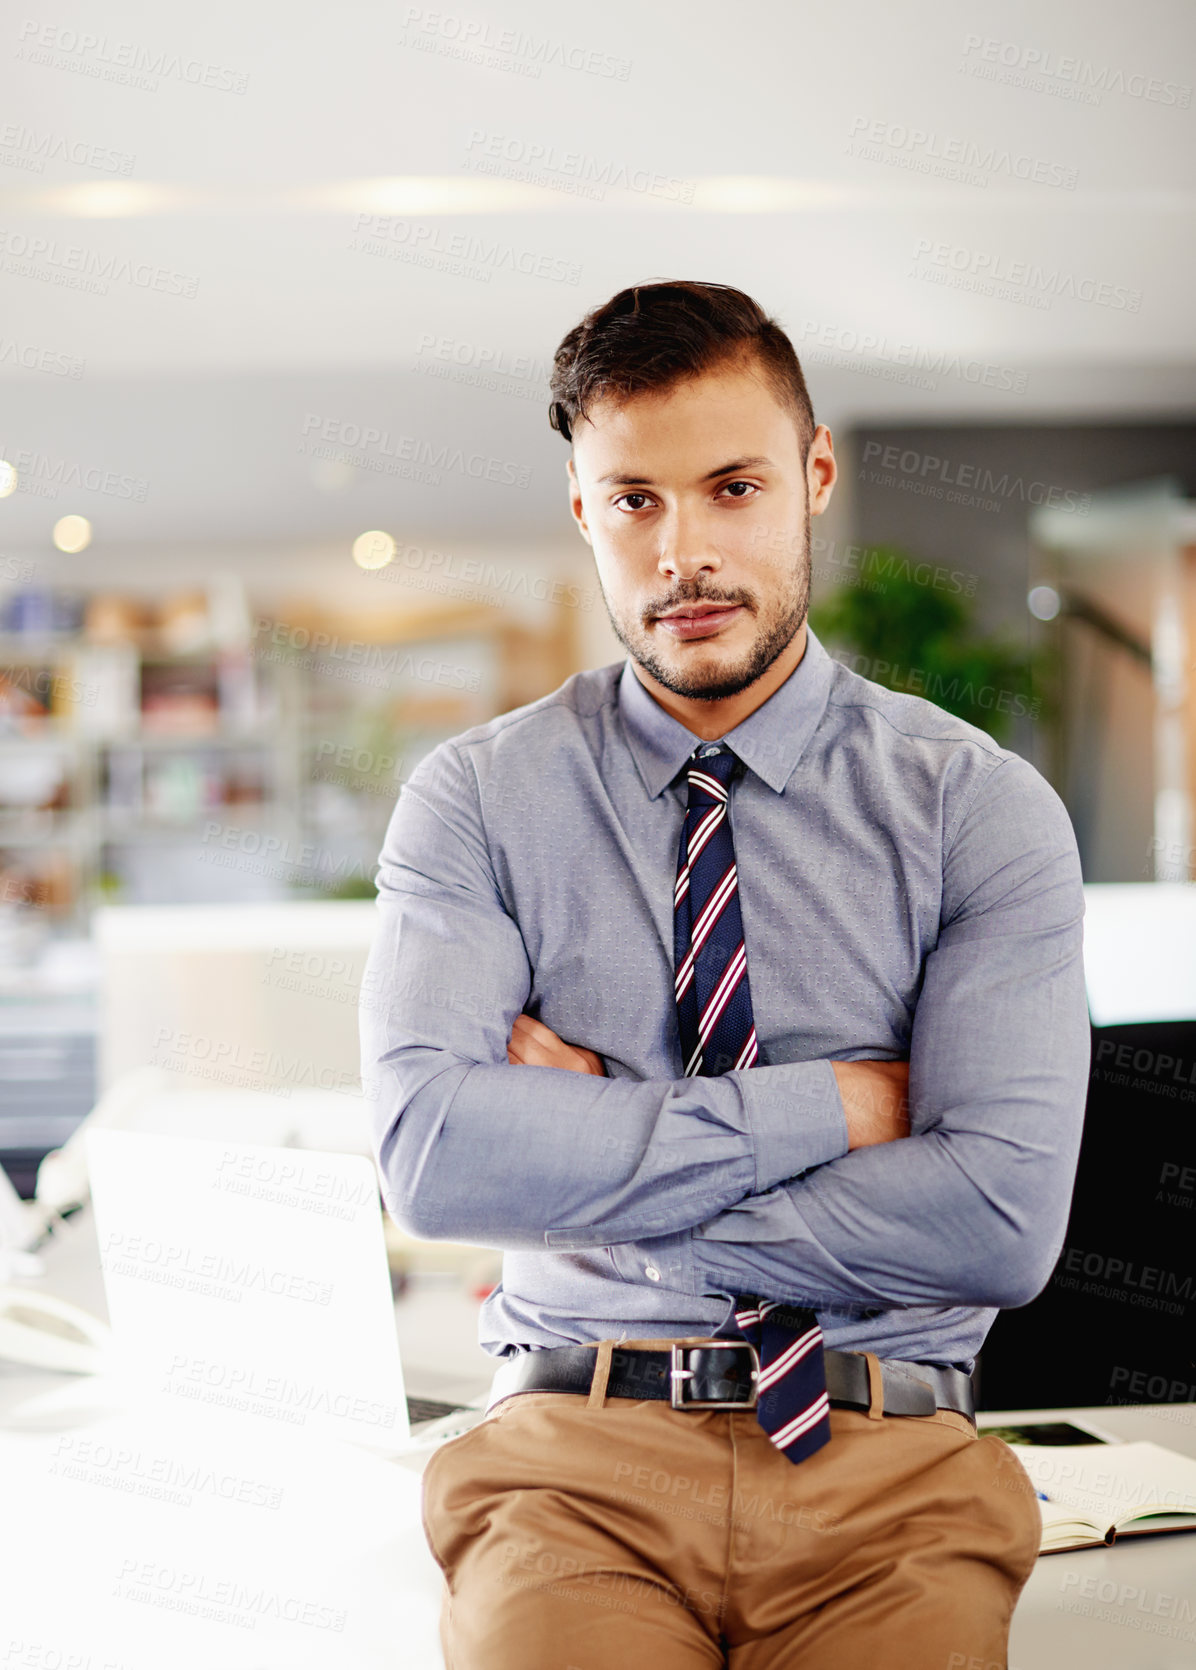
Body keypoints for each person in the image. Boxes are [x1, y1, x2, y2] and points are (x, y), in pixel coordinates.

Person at [359, 280, 1090, 1668]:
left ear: (814, 478)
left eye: (731, 487)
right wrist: (836, 1108)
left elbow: (997, 1220)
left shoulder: (976, 809)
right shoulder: (474, 802)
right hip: (572, 1458)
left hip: (890, 1464)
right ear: (583, 511)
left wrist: (595, 1170)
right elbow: (438, 1163)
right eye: (633, 500)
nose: (682, 551)